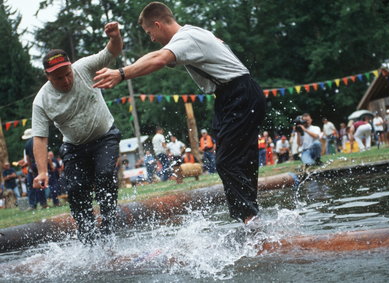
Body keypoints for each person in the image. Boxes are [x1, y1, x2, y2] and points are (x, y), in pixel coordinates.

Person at [92, 2, 266, 224]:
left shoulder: (186, 38)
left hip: (239, 94)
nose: (152, 38)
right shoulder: (194, 33)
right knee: (241, 159)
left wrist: (122, 74)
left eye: (149, 33)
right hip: (231, 96)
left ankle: (250, 220)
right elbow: (156, 56)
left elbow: (159, 59)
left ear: (157, 24)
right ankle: (252, 217)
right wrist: (123, 70)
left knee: (227, 162)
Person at [31, 22, 123, 244]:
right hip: (74, 146)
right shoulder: (41, 101)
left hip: (105, 138)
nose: (65, 81)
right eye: (58, 78)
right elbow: (40, 138)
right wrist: (42, 172)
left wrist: (115, 37)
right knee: (75, 189)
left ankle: (108, 229)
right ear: (47, 76)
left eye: (67, 74)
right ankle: (88, 239)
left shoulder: (84, 68)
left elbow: (112, 51)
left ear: (71, 67)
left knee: (104, 177)